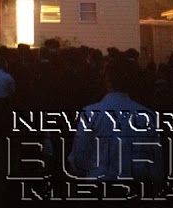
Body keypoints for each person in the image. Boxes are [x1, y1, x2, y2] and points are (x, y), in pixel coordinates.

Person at [68, 55, 163, 183]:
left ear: (107, 80)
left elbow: (79, 158)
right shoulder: (147, 116)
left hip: (99, 182)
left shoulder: (90, 113)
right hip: (135, 184)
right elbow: (155, 163)